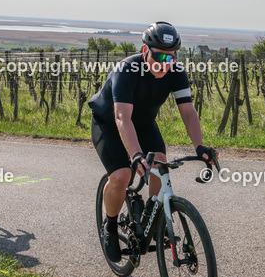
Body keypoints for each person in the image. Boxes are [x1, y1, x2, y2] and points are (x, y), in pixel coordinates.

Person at [88, 21, 218, 262]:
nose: (163, 63)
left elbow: (188, 112)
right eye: (158, 56)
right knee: (121, 175)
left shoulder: (176, 72)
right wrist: (136, 155)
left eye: (170, 58)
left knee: (160, 165)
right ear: (145, 50)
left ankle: (153, 217)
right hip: (109, 122)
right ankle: (110, 226)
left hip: (143, 123)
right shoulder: (127, 70)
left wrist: (199, 146)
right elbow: (121, 117)